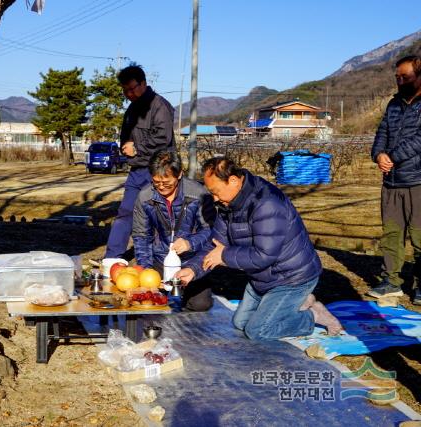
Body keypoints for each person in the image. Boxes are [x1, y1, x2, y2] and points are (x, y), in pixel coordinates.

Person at [177, 157, 343, 339]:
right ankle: (295, 304)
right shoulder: (228, 204)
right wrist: (192, 270)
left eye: (216, 192)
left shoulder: (267, 204)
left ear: (232, 180)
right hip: (263, 277)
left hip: (292, 277)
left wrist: (224, 255)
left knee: (257, 331)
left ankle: (312, 315)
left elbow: (264, 255)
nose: (214, 198)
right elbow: (215, 244)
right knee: (240, 323)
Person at [104, 64, 176, 259]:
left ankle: (156, 259)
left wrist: (136, 147)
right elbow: (125, 137)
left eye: (133, 88)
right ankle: (112, 258)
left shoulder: (159, 105)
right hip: (136, 169)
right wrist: (125, 148)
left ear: (143, 83)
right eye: (125, 90)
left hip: (158, 170)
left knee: (156, 216)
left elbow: (163, 137)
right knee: (125, 212)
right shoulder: (132, 109)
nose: (129, 93)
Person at [132, 150, 215, 311]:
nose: (161, 187)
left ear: (179, 175)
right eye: (156, 182)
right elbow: (141, 236)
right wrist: (146, 270)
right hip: (160, 260)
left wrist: (190, 243)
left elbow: (210, 230)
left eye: (167, 183)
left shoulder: (198, 194)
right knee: (150, 302)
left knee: (200, 305)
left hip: (192, 260)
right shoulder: (145, 197)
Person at [369, 55, 421, 305]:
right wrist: (378, 154)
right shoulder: (394, 104)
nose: (400, 81)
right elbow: (382, 132)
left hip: (418, 180)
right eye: (397, 77)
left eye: (405, 76)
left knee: (420, 237)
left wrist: (392, 156)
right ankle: (391, 281)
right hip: (392, 182)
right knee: (391, 234)